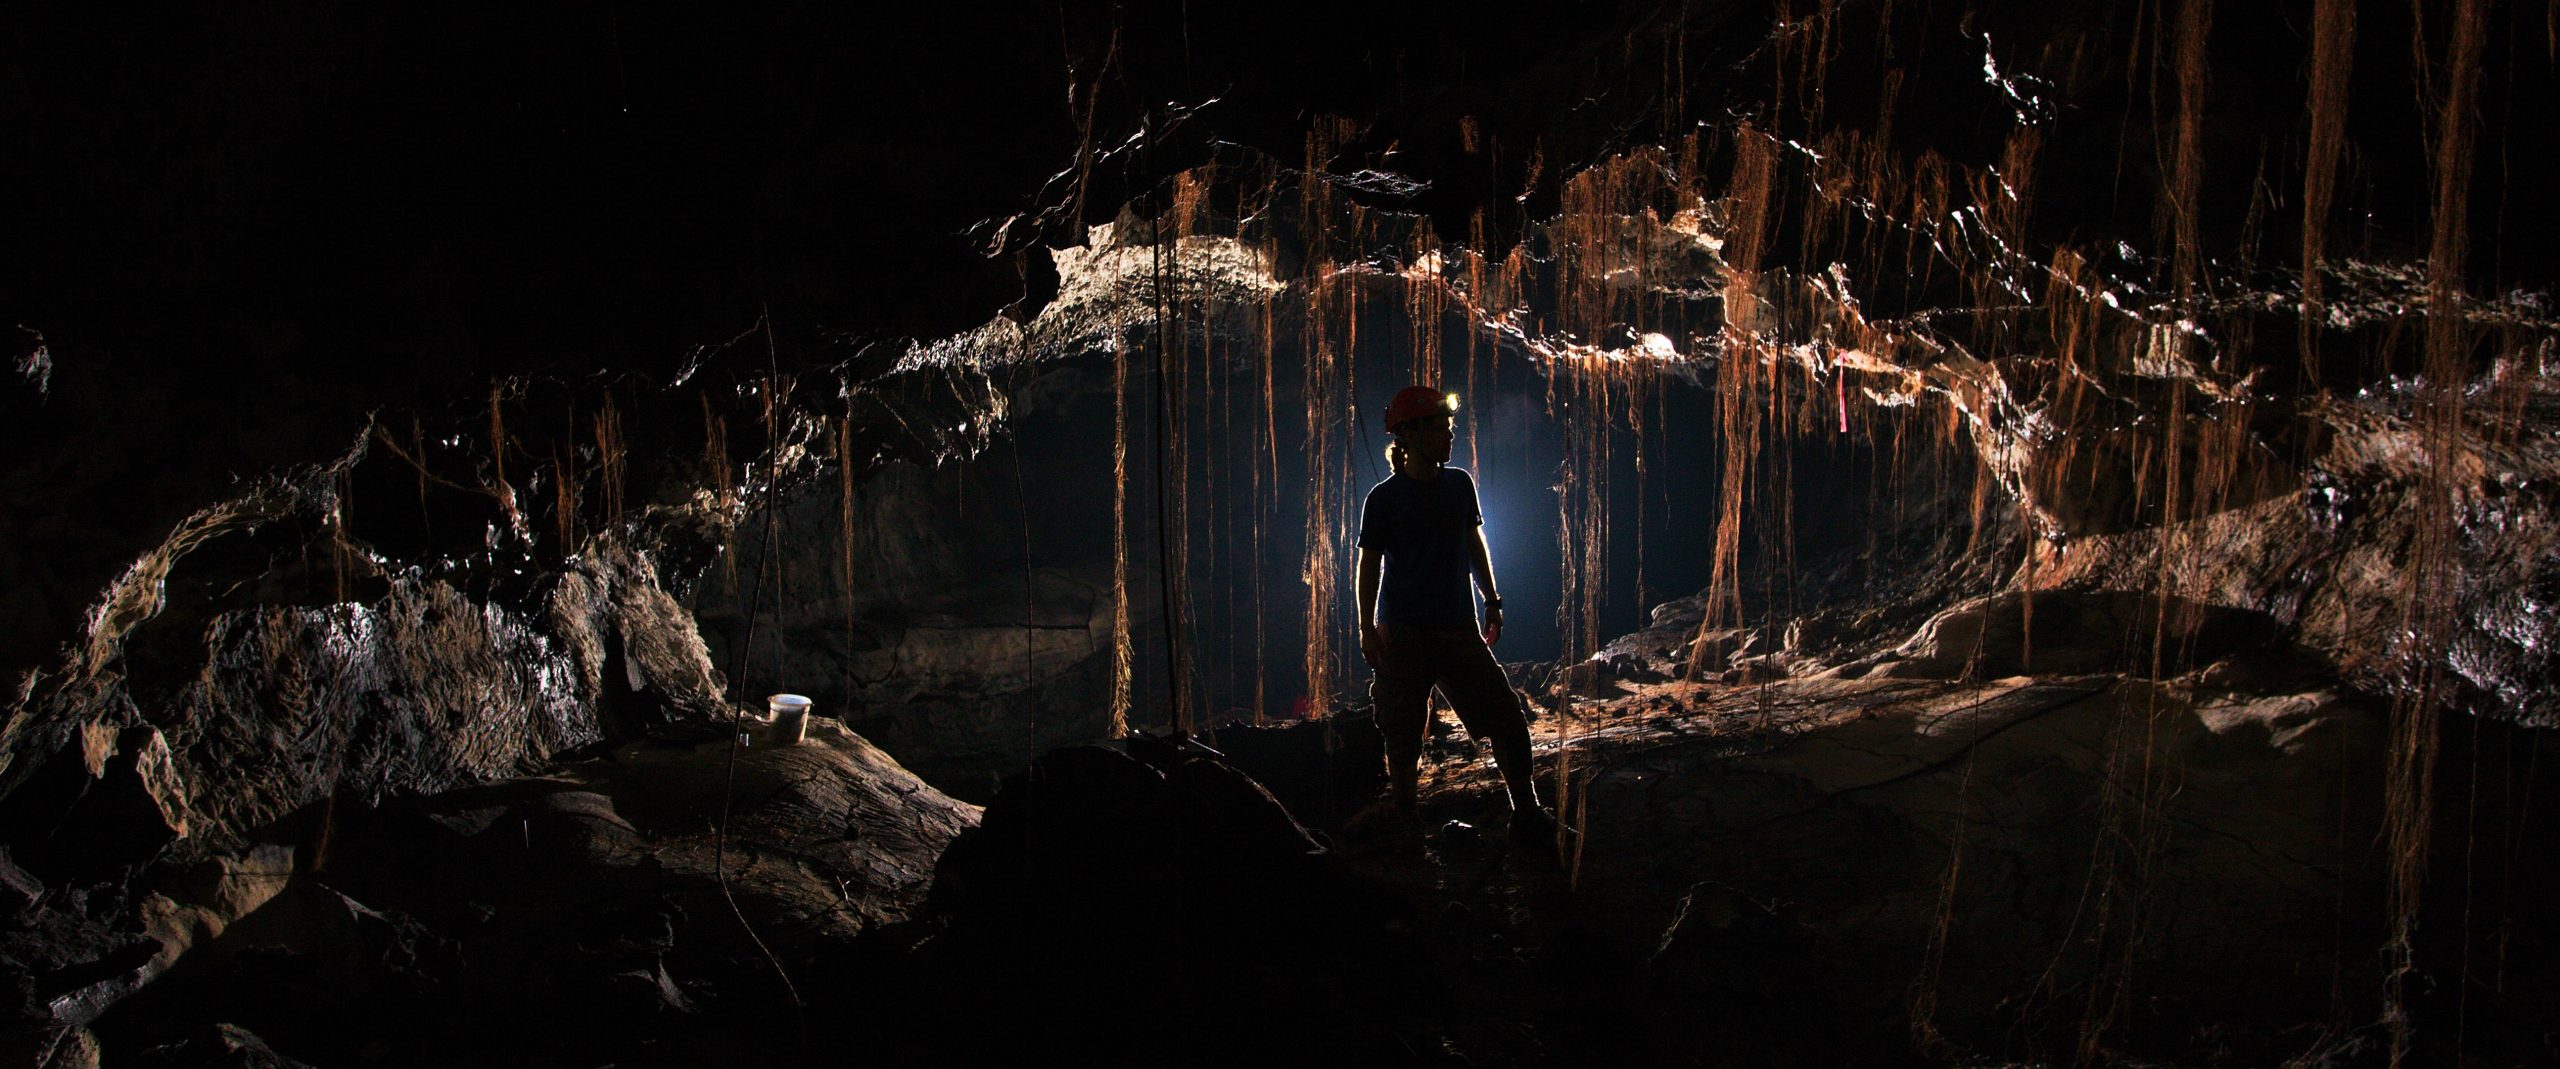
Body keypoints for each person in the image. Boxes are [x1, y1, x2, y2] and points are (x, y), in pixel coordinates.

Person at [1354, 385, 1557, 846]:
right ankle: (1408, 824)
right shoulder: (1383, 500)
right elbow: (1369, 565)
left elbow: (1473, 544)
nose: (1448, 437)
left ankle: (1526, 812)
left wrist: (1492, 598)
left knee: (1505, 718)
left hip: (1457, 628)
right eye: (1439, 428)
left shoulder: (1458, 485)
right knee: (1403, 732)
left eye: (1448, 428)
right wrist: (1367, 628)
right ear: (1409, 434)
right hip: (1403, 632)